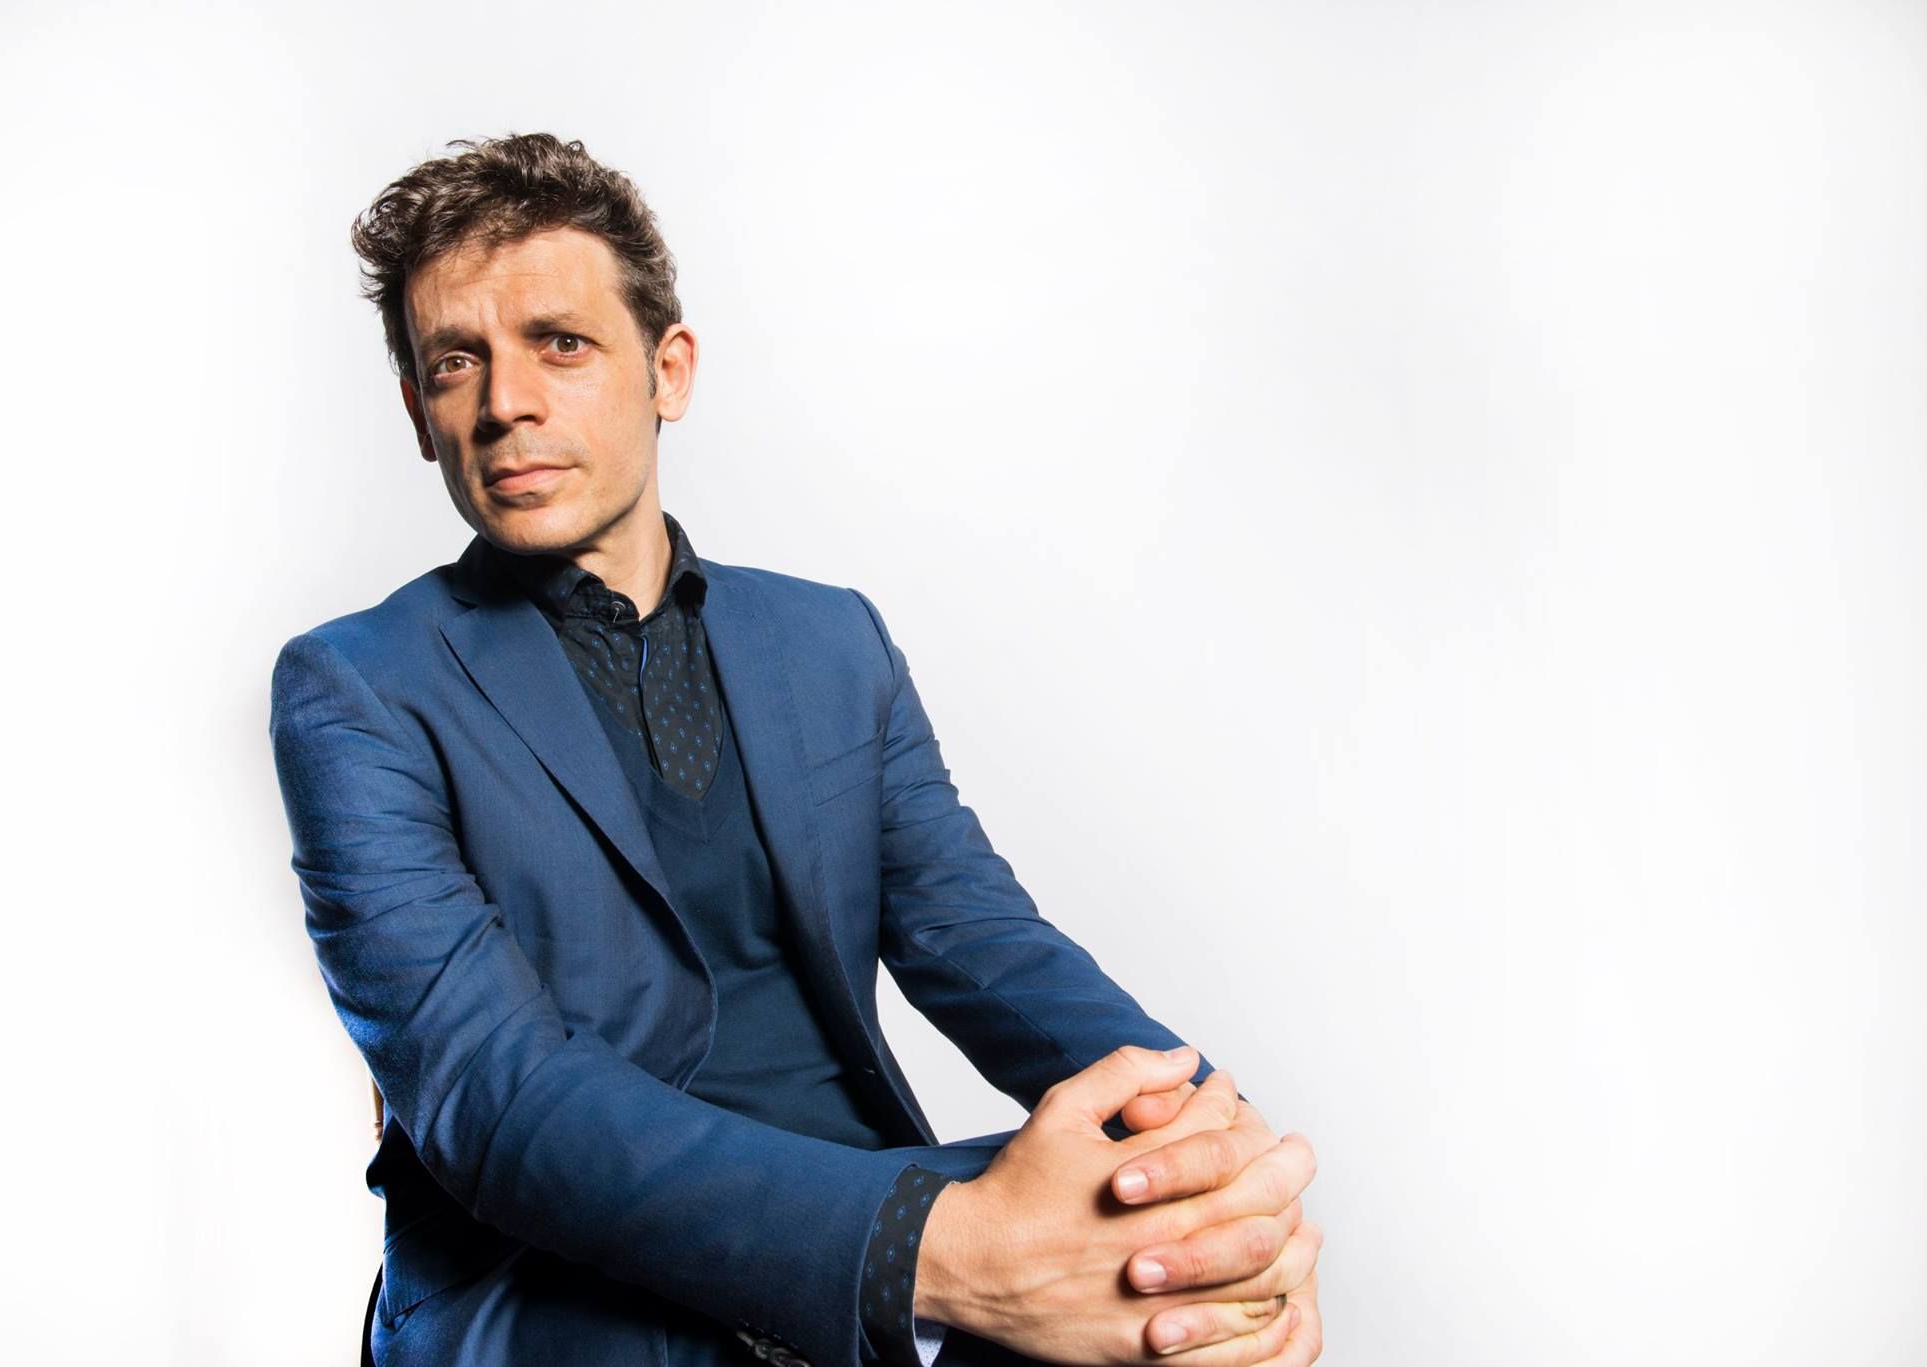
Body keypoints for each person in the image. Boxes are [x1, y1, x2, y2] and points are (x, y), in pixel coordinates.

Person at [267, 132, 1323, 1366]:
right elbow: (499, 1104)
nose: (507, 402)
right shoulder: (357, 687)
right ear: (419, 411)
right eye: (457, 361)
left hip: (868, 1203)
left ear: (667, 370)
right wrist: (935, 1250)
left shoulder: (828, 641)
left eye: (560, 343)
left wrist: (1217, 1161)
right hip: (559, 1276)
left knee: (1164, 1241)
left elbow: (984, 944)